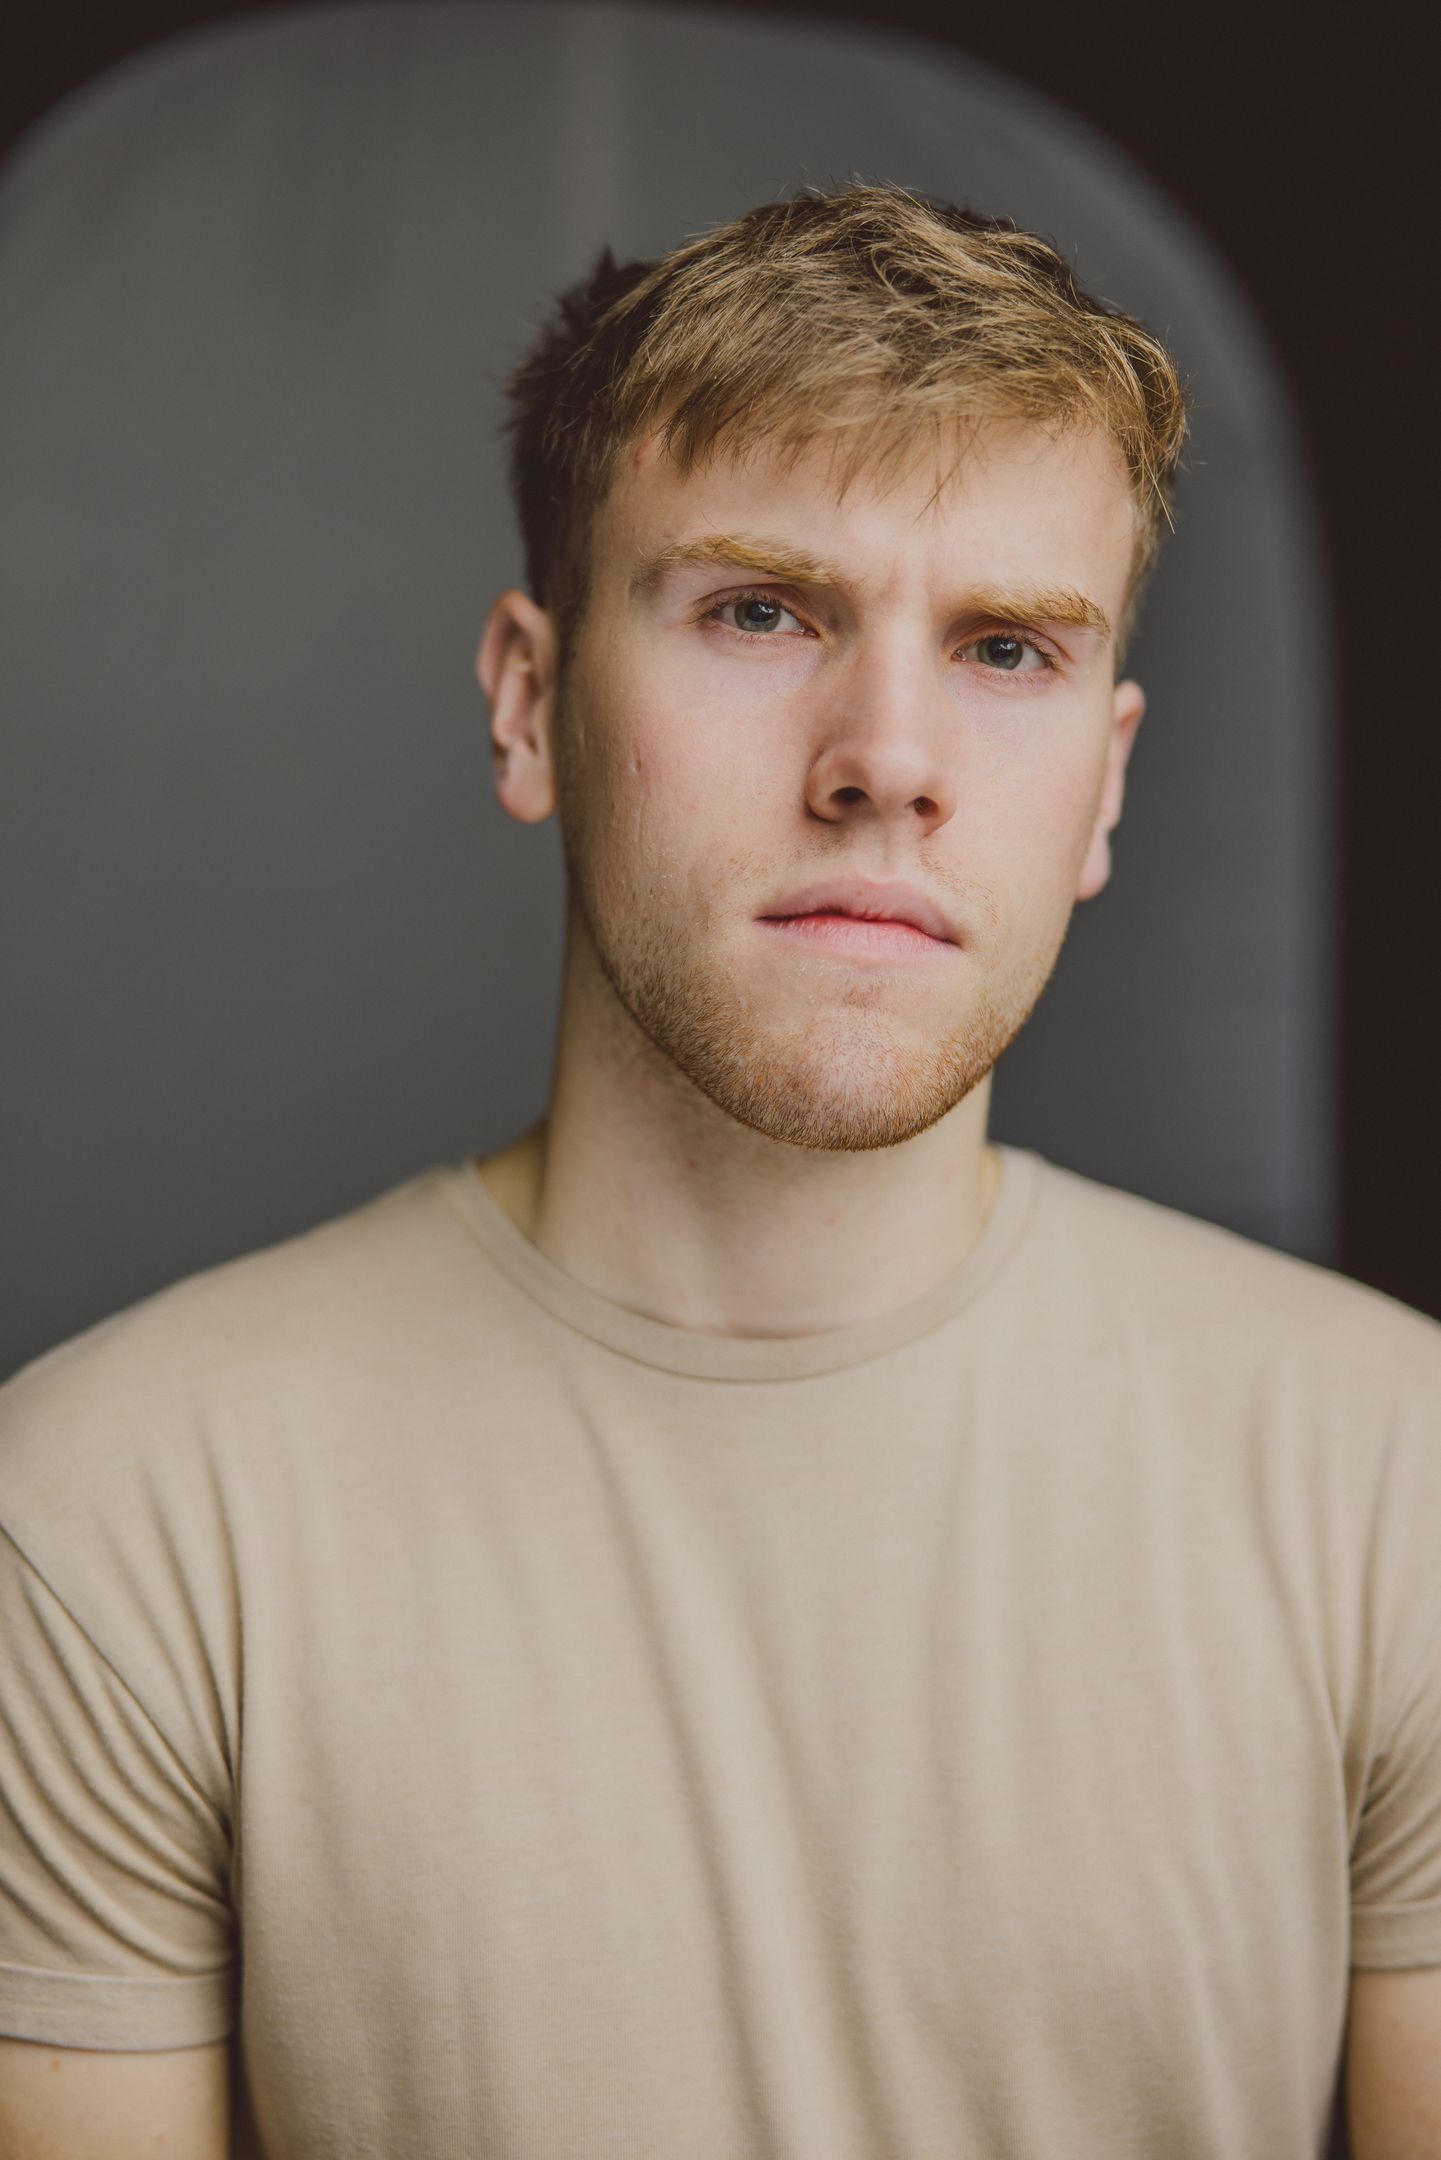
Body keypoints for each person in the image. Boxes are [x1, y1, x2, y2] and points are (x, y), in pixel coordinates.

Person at [0, 183, 1436, 2160]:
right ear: (531, 704)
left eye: (1005, 647)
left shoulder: (1400, 1493)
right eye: (761, 612)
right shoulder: (112, 1525)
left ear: (1104, 783)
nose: (886, 759)